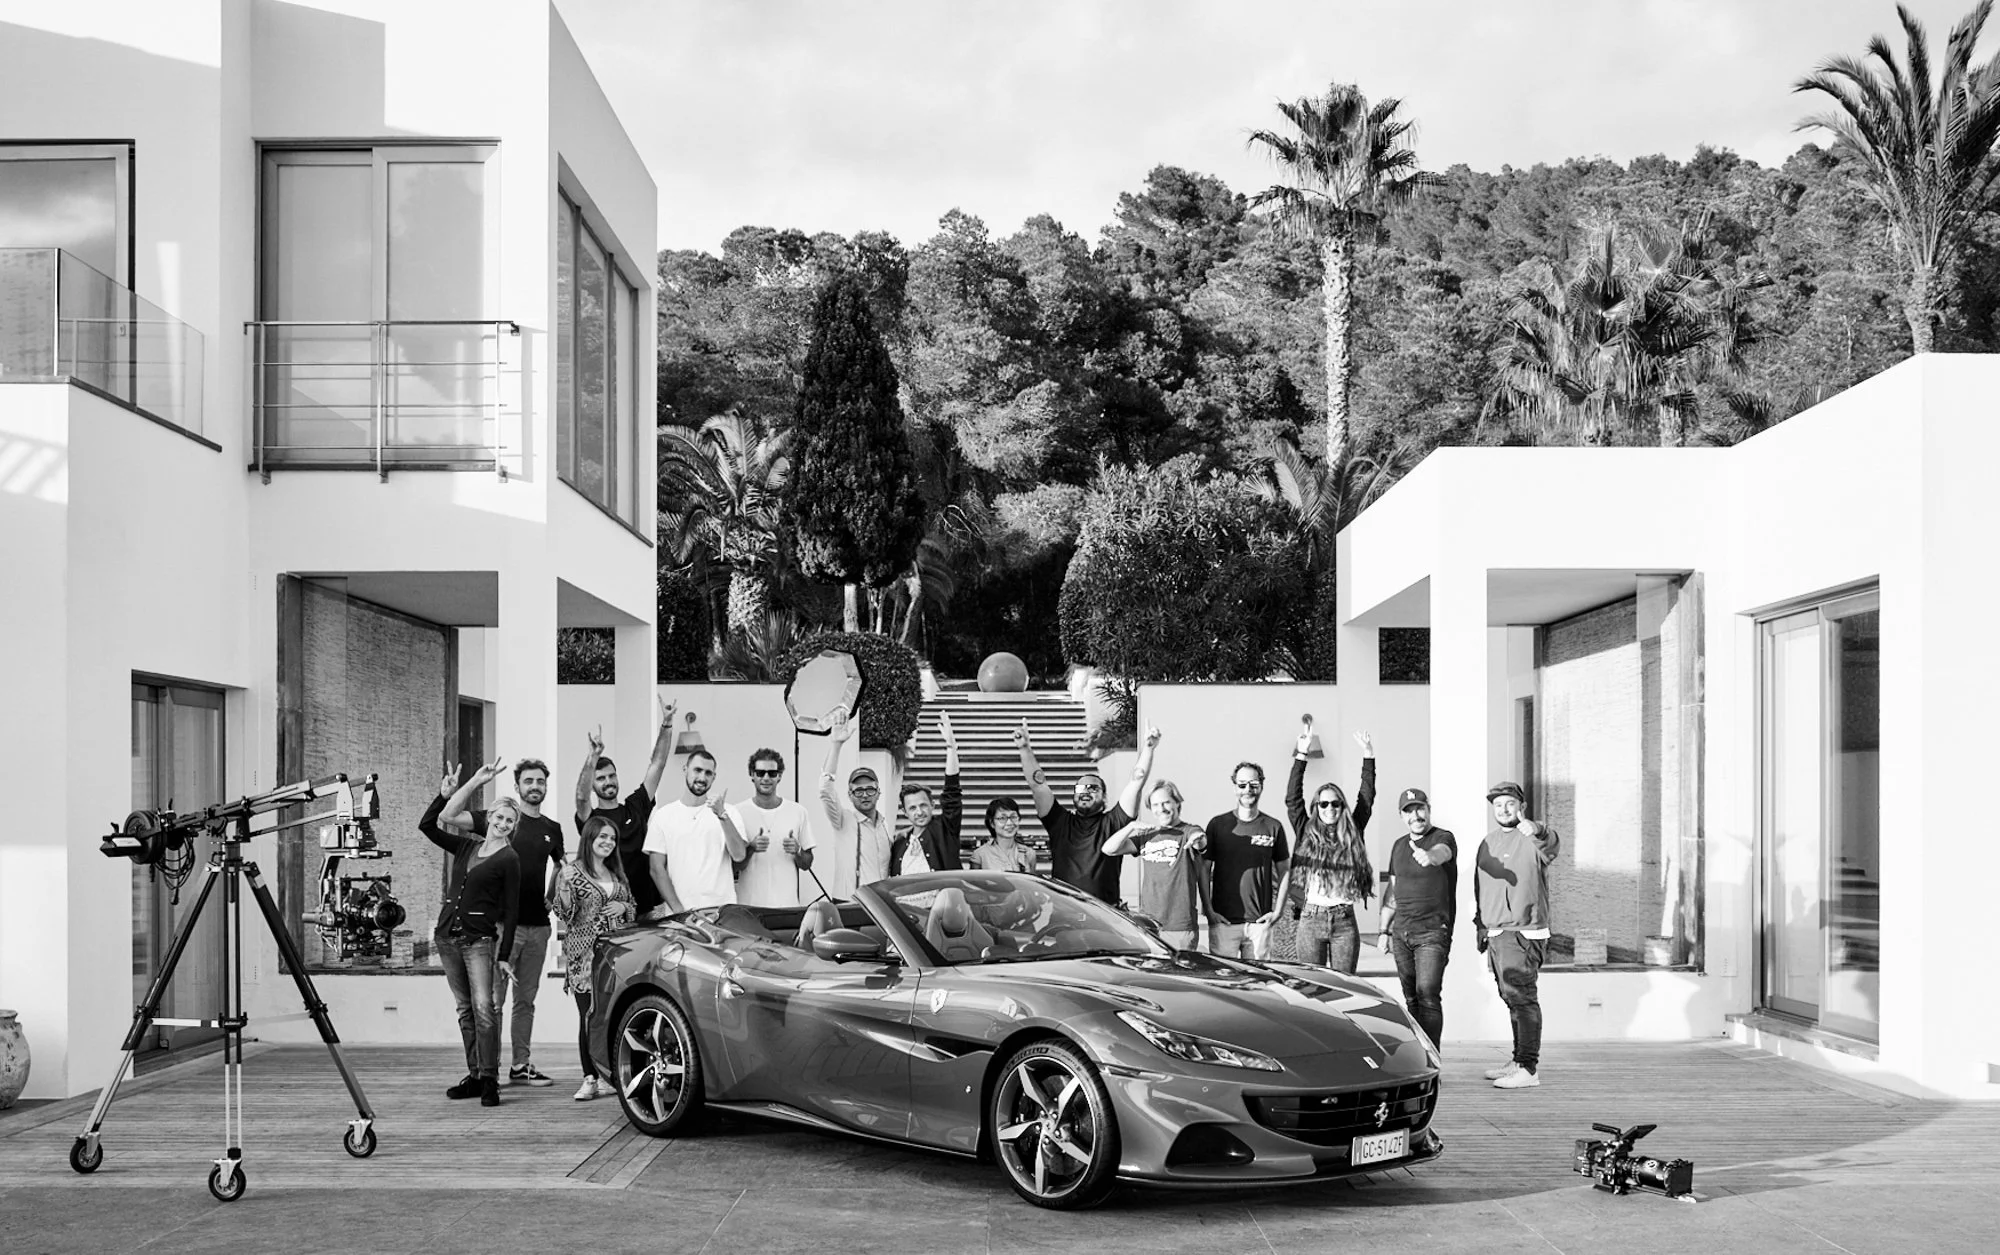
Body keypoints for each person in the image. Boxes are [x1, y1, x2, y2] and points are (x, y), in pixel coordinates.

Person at [442, 757, 564, 1087]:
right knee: (491, 1004)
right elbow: (449, 816)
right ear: (518, 786)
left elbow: (562, 865)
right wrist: (473, 783)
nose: (535, 786)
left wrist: (551, 895)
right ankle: (487, 1072)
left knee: (526, 1002)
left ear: (546, 786)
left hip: (537, 927)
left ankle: (520, 1066)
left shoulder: (552, 830)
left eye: (540, 781)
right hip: (497, 930)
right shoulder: (498, 820)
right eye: (529, 781)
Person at [424, 759, 521, 1107]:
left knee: (484, 1008)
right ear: (489, 818)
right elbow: (430, 825)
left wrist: (506, 955)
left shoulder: (509, 859)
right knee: (464, 1009)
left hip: (479, 941)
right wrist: (450, 792)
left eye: (510, 821)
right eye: (499, 818)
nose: (503, 824)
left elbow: (511, 912)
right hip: (448, 937)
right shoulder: (466, 847)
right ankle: (475, 1076)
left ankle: (491, 1080)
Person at [1475, 781, 1561, 1090]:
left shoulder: (1532, 838)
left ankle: (1528, 1068)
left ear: (1520, 806)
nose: (1504, 809)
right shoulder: (1488, 842)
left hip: (1524, 931)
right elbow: (1480, 886)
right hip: (1497, 933)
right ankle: (1517, 1060)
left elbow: (1551, 842)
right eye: (1498, 805)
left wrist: (1535, 828)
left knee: (1523, 999)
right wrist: (1481, 926)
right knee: (1510, 998)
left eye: (1510, 803)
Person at [1015, 720, 1162, 902]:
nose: (1086, 793)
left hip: (1106, 916)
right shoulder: (1059, 822)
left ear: (1105, 798)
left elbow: (1136, 782)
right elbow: (1038, 785)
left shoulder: (1114, 822)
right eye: (1081, 789)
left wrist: (1148, 748)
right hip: (1065, 913)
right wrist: (1024, 749)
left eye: (1093, 789)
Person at [1276, 729, 1376, 974]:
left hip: (1344, 920)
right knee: (1313, 988)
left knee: (1345, 985)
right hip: (1310, 918)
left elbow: (1366, 797)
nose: (1329, 808)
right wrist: (1301, 754)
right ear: (1316, 807)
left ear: (1342, 806)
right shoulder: (1305, 830)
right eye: (1324, 803)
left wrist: (1368, 755)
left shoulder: (1353, 831)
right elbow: (1292, 798)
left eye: (1335, 803)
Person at [552, 815, 635, 1101]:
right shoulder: (572, 872)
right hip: (584, 956)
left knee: (612, 1016)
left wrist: (623, 905)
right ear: (589, 839)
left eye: (612, 838)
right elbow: (563, 915)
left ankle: (609, 1076)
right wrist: (563, 887)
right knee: (588, 1016)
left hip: (617, 957)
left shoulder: (617, 873)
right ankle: (589, 1078)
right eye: (602, 837)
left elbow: (632, 907)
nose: (608, 843)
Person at [574, 697, 681, 919]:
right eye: (601, 778)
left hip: (648, 909)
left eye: (612, 776)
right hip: (609, 912)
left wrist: (667, 725)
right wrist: (592, 758)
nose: (608, 781)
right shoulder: (592, 819)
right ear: (593, 786)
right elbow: (581, 798)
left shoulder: (635, 806)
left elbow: (657, 765)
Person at [1378, 786, 1457, 1051]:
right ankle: (1417, 1059)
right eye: (1409, 811)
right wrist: (1383, 931)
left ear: (1428, 809)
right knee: (1411, 1000)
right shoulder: (1399, 846)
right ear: (1402, 816)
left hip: (1432, 932)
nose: (1416, 815)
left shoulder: (1443, 837)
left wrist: (1430, 856)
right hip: (1401, 934)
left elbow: (1443, 852)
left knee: (1428, 997)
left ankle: (1432, 1061)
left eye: (1420, 808)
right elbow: (1393, 891)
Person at [1101, 780, 1206, 950]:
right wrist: (1131, 826)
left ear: (1177, 803)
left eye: (1166, 802)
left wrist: (1198, 839)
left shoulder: (1187, 831)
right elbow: (1108, 849)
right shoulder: (1147, 835)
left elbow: (1199, 839)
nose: (1161, 809)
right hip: (1148, 925)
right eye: (1155, 805)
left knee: (1179, 975)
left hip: (1179, 926)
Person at [1201, 760, 1290, 960]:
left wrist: (1278, 912)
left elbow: (1285, 870)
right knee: (1224, 983)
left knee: (1259, 984)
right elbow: (1203, 869)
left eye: (1253, 784)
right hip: (1224, 923)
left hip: (1260, 924)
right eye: (1242, 785)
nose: (1247, 789)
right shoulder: (1218, 825)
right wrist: (1208, 910)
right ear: (1234, 788)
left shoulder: (1273, 826)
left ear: (1262, 786)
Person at [643, 745, 748, 914]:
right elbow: (656, 869)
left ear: (714, 777)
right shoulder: (663, 815)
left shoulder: (729, 812)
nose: (702, 777)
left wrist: (721, 815)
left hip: (722, 913)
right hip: (680, 916)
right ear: (685, 769)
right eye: (697, 770)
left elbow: (739, 855)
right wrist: (679, 911)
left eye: (708, 773)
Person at [818, 709, 896, 898]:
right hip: (849, 903)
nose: (864, 795)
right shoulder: (843, 820)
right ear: (850, 795)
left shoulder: (884, 827)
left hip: (881, 906)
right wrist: (836, 745)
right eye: (858, 791)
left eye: (869, 789)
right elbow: (825, 790)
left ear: (878, 793)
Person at [735, 747, 815, 907]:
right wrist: (750, 849)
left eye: (772, 773)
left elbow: (806, 864)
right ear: (752, 774)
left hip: (787, 906)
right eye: (760, 773)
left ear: (779, 776)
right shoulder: (737, 812)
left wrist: (798, 851)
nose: (766, 778)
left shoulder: (798, 812)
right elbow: (733, 866)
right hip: (749, 908)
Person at [895, 713, 963, 875]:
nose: (919, 812)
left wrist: (951, 750)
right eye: (912, 808)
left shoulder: (945, 830)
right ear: (904, 812)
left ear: (932, 805)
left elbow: (952, 794)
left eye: (923, 805)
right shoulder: (899, 842)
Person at [967, 798, 1038, 874]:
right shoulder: (980, 854)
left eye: (1013, 817)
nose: (1009, 823)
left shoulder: (1029, 853)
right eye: (1002, 818)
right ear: (992, 823)